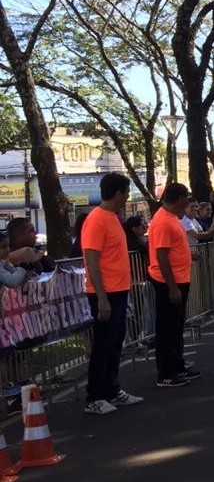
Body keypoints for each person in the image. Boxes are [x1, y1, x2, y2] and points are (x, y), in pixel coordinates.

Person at [82, 173, 145, 414]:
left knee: (116, 342)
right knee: (103, 344)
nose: (127, 197)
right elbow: (91, 259)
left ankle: (112, 389)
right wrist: (101, 297)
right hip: (105, 292)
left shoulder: (114, 218)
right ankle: (94, 397)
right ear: (118, 193)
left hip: (119, 290)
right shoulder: (96, 219)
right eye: (126, 192)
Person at [148, 183, 201, 387]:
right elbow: (161, 255)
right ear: (178, 199)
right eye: (186, 198)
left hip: (179, 278)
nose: (188, 202)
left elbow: (173, 249)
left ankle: (177, 365)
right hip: (168, 282)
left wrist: (188, 255)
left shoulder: (172, 219)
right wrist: (172, 287)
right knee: (167, 329)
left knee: (176, 327)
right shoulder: (162, 221)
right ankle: (166, 373)